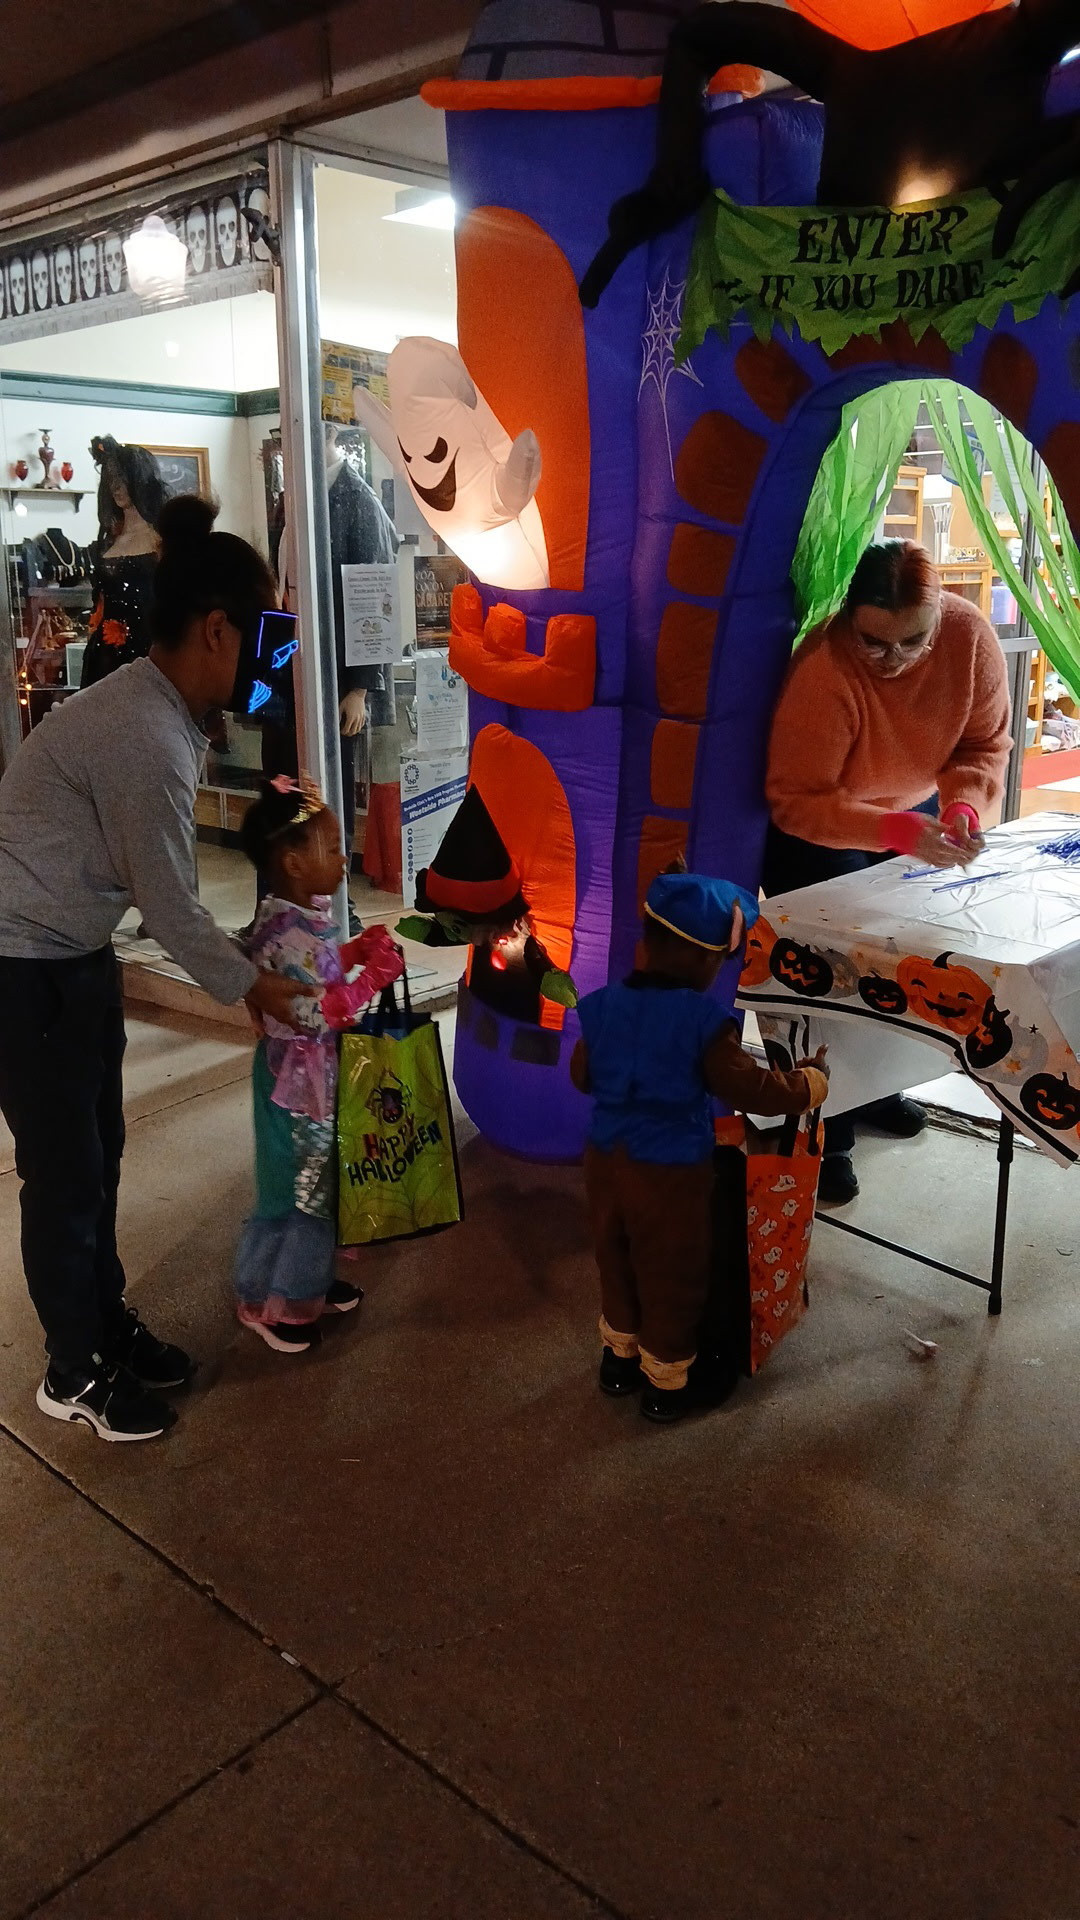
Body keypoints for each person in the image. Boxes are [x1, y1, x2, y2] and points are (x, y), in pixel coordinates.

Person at [0, 496, 313, 1443]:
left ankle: (103, 1324)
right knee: (66, 1176)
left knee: (99, 1154)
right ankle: (72, 1370)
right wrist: (252, 986)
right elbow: (171, 901)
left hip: (72, 953)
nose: (274, 658)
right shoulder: (144, 732)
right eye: (264, 634)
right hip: (24, 966)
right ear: (216, 631)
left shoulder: (160, 711)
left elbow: (158, 891)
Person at [763, 540, 1012, 1207]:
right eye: (875, 643)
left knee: (900, 969)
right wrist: (897, 833)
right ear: (850, 619)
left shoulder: (968, 637)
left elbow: (983, 745)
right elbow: (795, 802)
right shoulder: (823, 668)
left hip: (910, 810)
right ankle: (828, 1136)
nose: (895, 659)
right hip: (819, 829)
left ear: (939, 615)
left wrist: (964, 808)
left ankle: (877, 1093)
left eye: (913, 641)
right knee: (831, 988)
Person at [570, 870, 830, 1426]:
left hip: (604, 1159)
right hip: (669, 1172)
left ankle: (618, 1358)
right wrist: (808, 1083)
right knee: (671, 1269)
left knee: (615, 1253)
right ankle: (664, 1380)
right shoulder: (704, 1022)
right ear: (704, 960)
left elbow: (582, 1075)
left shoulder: (604, 1005)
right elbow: (747, 1088)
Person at [232, 778, 365, 1352]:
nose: (343, 858)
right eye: (332, 848)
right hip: (295, 1079)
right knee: (295, 1187)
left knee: (314, 1180)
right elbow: (315, 1011)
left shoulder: (294, 919)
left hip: (306, 1074)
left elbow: (324, 973)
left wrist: (358, 952)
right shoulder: (287, 934)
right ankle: (267, 1298)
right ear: (292, 862)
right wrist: (371, 980)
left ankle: (306, 1280)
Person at [80, 436, 168, 688]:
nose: (116, 487)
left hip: (151, 652)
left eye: (123, 479)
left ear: (139, 480)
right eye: (111, 480)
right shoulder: (108, 542)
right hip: (105, 655)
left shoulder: (162, 539)